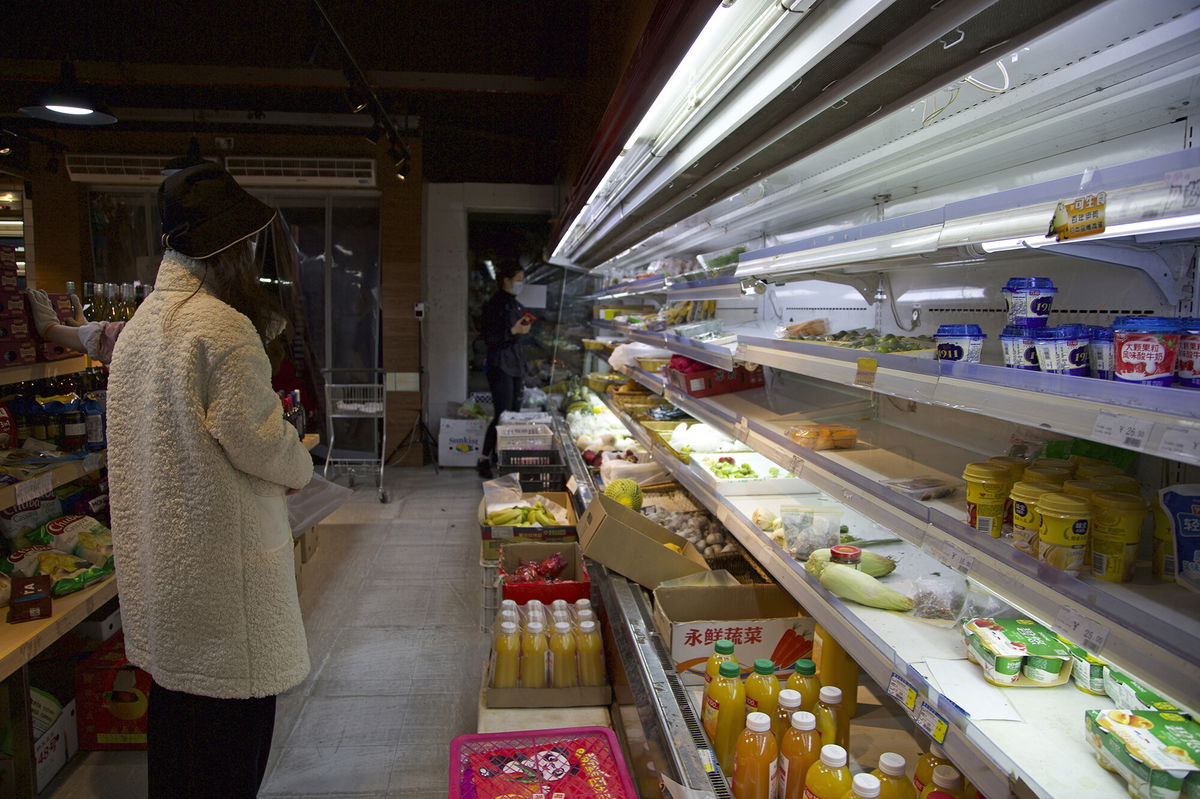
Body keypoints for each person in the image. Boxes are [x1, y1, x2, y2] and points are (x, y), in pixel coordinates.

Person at [106, 162, 314, 799]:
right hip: (226, 580)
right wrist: (300, 460)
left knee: (177, 735)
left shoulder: (141, 328)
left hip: (167, 573)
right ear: (229, 247)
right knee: (232, 743)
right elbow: (259, 442)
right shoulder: (221, 329)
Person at [478, 260, 531, 477]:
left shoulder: (515, 303)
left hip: (515, 363)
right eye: (518, 280)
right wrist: (513, 330)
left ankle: (505, 457)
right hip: (501, 365)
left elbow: (516, 334)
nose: (521, 284)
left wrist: (522, 329)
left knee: (514, 414)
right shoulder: (495, 305)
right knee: (503, 414)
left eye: (522, 280)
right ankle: (484, 458)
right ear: (506, 280)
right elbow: (489, 338)